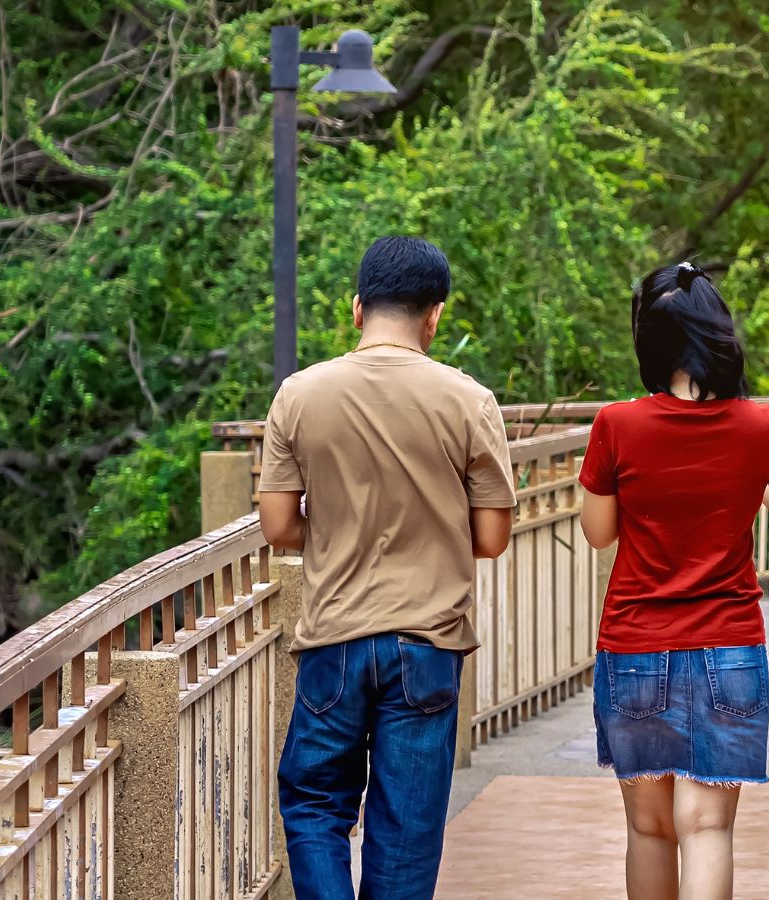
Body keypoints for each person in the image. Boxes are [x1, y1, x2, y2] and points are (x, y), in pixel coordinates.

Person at [257, 236, 517, 899]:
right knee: (406, 829)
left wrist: (338, 528)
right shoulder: (469, 401)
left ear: (357, 308)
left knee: (315, 805)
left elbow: (279, 526)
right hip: (427, 644)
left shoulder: (299, 395)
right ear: (435, 315)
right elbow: (492, 537)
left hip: (334, 639)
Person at [579, 262, 769, 900]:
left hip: (636, 645)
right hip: (730, 646)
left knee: (650, 829)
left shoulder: (616, 425)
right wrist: (753, 482)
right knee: (708, 827)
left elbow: (599, 532)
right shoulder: (763, 426)